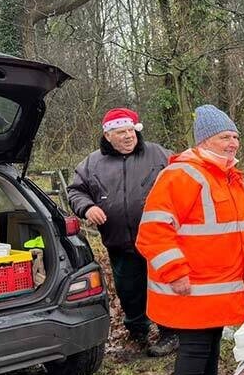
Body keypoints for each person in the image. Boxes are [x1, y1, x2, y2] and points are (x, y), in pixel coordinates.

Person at [136, 104, 244, 375]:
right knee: (195, 350)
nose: (233, 143)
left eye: (236, 137)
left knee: (208, 347)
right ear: (206, 140)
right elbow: (153, 231)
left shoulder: (232, 178)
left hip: (218, 288)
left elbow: (238, 230)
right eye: (225, 137)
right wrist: (175, 271)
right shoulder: (182, 175)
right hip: (192, 287)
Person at [67, 108, 177, 356]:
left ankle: (171, 333)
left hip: (159, 240)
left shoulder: (160, 155)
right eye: (120, 132)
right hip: (119, 242)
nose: (128, 136)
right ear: (108, 136)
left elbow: (185, 179)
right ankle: (137, 333)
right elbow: (76, 191)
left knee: (162, 288)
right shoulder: (92, 163)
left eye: (131, 130)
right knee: (129, 290)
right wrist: (88, 207)